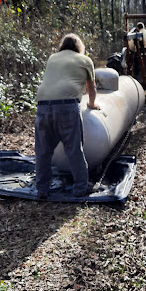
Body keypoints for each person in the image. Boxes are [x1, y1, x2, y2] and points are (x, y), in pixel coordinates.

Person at [35, 33, 99, 199]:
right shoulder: (85, 60)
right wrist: (91, 105)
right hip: (66, 106)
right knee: (73, 148)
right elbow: (91, 89)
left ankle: (42, 189)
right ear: (80, 47)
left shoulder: (52, 58)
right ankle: (81, 188)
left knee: (43, 151)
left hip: (42, 106)